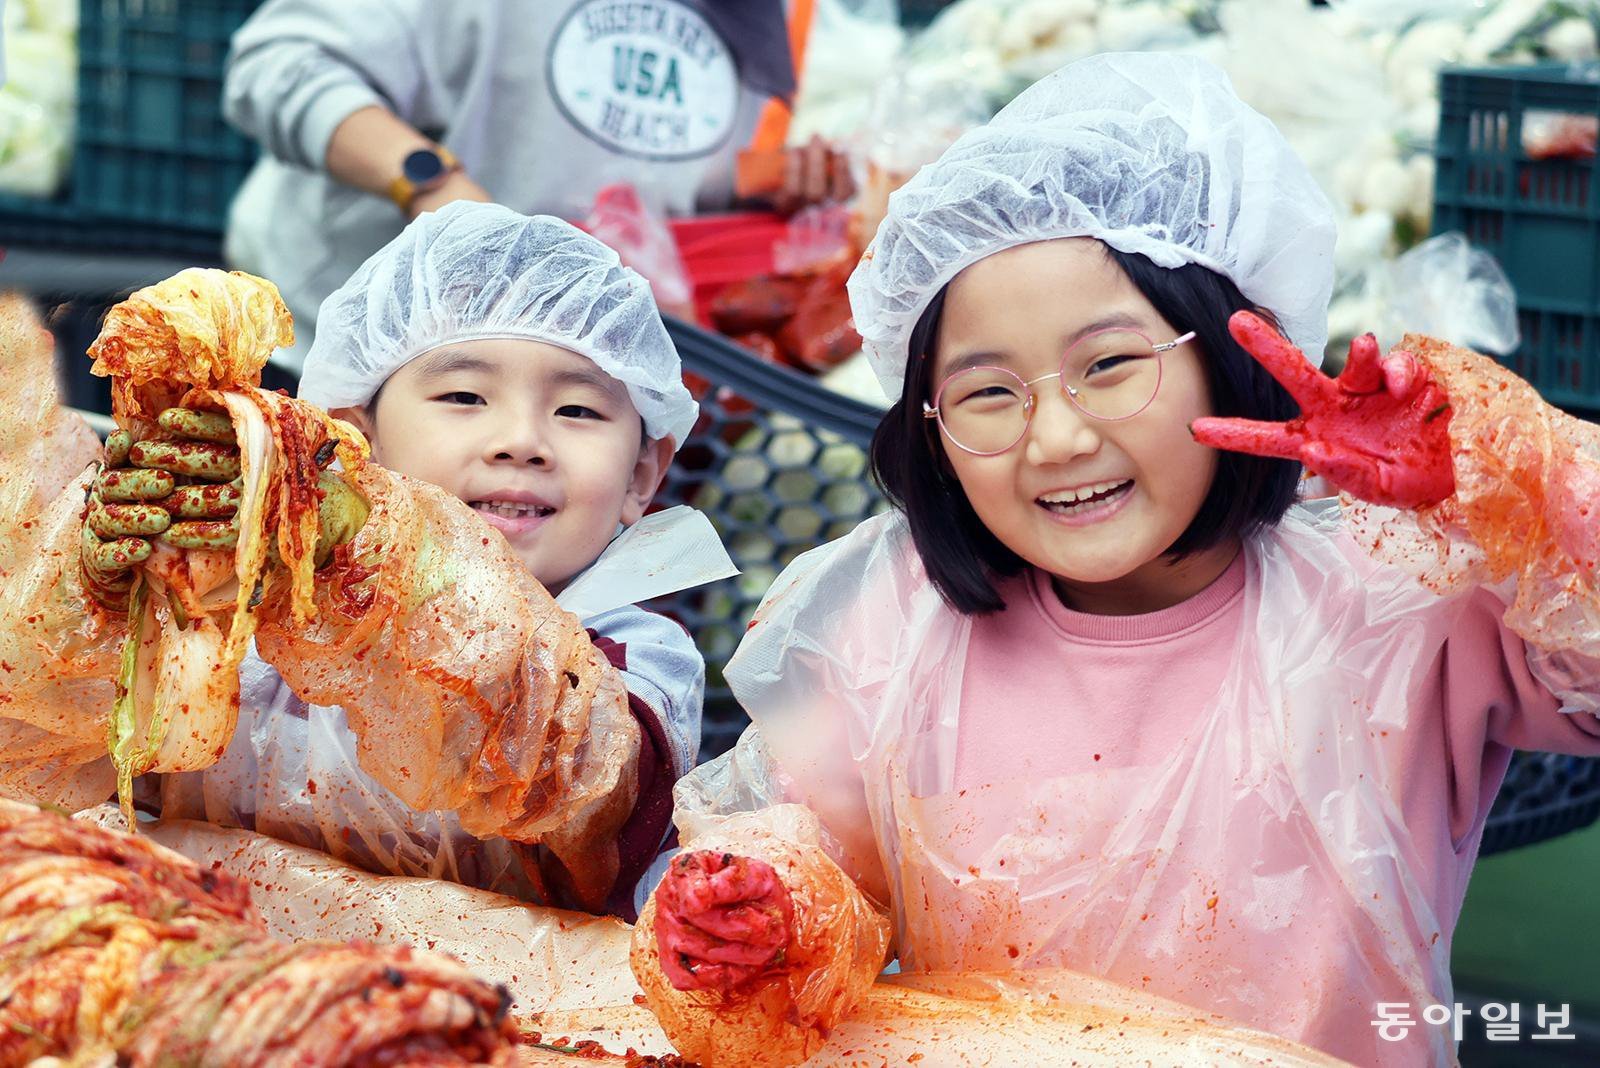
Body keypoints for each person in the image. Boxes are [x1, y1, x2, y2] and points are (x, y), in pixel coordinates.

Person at [625, 53, 1600, 1066]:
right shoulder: (891, 630)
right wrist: (756, 915)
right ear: (932, 434)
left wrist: (1511, 481)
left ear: (1227, 357)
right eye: (988, 393)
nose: (1057, 438)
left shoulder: (1399, 600)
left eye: (1111, 365)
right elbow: (802, 855)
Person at [12, 202, 731, 919]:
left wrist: (376, 558)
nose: (521, 440)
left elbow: (588, 787)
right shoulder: (223, 612)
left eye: (578, 411)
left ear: (642, 474)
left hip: (495, 986)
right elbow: (42, 761)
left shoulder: (633, 654)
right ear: (356, 438)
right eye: (464, 396)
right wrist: (97, 609)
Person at [221, 0, 851, 371]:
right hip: (345, 346)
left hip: (575, 378)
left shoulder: (765, 16)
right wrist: (432, 183)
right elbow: (280, 63)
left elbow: (651, 167)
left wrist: (765, 189)